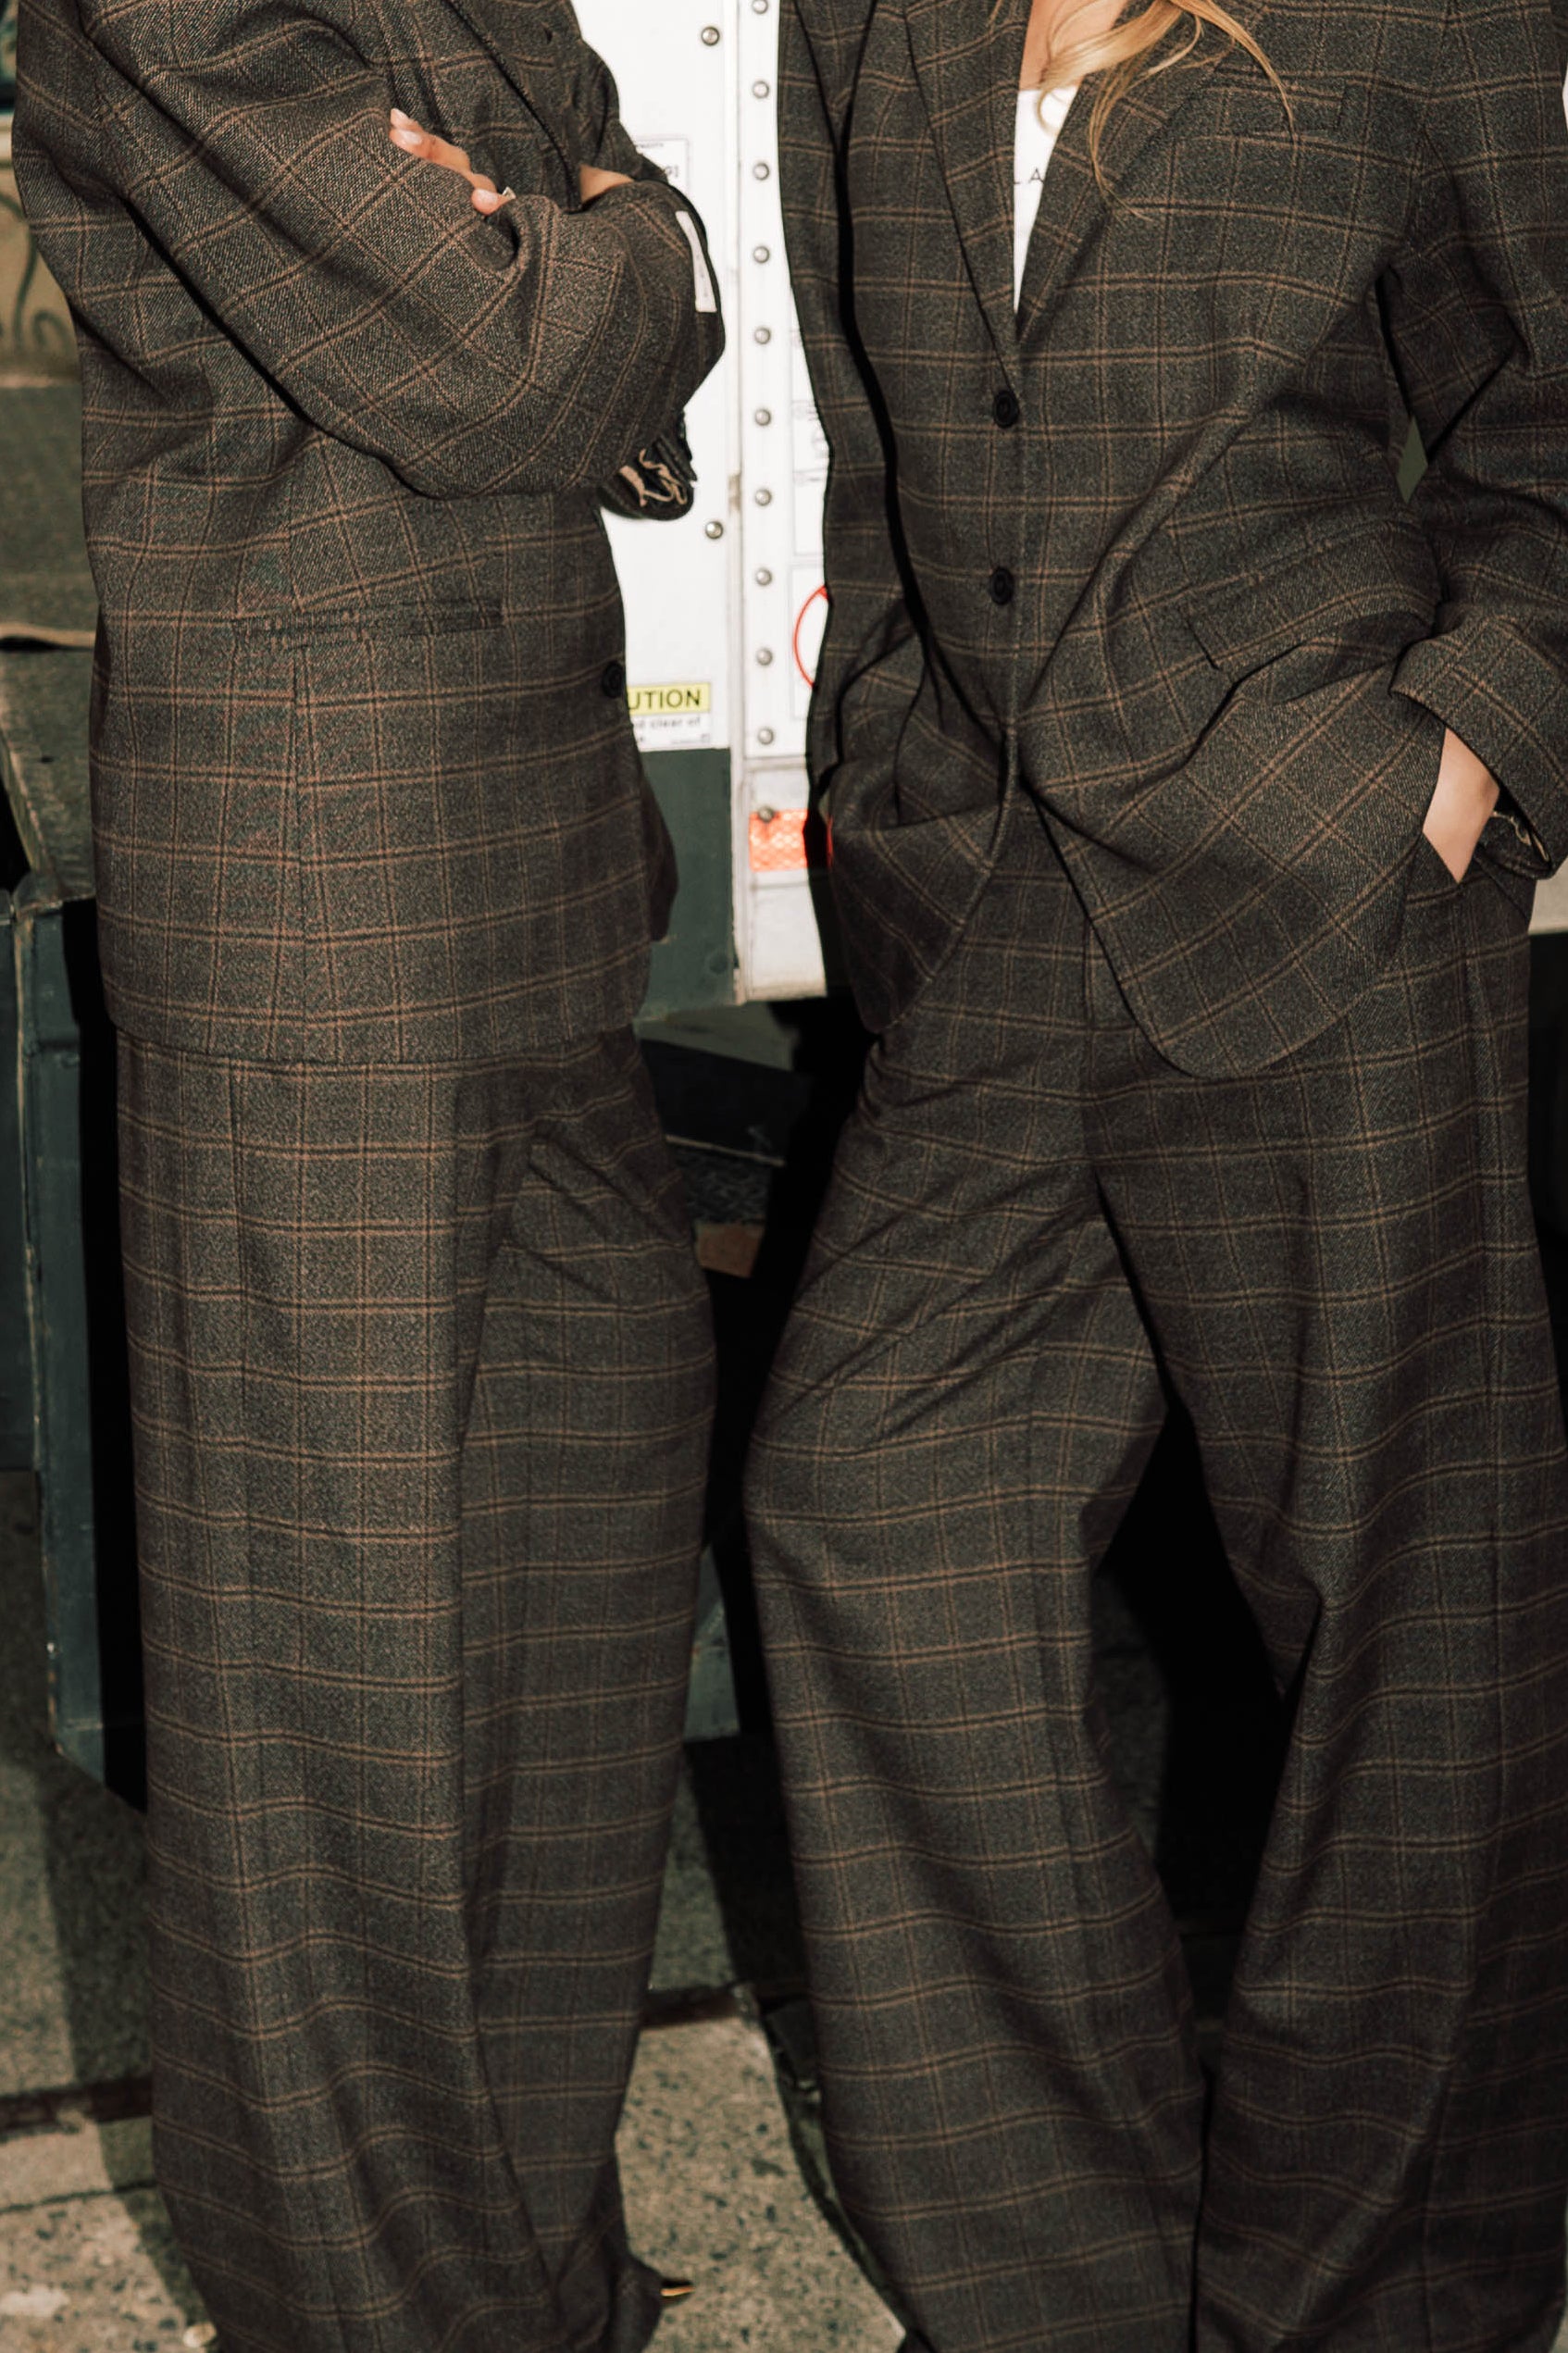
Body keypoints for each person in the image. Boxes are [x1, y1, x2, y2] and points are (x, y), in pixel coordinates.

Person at [747, 0, 1568, 2346]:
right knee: (865, 1501)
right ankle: (1062, 2287)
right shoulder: (872, 17)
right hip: (997, 903)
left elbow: (1550, 423)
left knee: (1399, 1633)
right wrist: (898, 797)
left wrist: (1457, 759)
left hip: (1319, 876)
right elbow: (880, 439)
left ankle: (1377, 2301)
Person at [13, 2, 724, 2347]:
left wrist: (578, 244)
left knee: (573, 1653)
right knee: (335, 1739)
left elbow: (642, 279)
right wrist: (579, 247)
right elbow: (526, 353)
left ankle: (525, 2280)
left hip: (535, 883)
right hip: (320, 920)